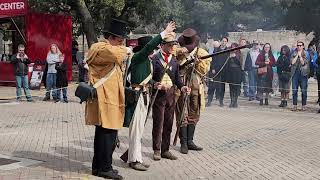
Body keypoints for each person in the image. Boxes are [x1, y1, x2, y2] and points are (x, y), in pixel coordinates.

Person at [123, 21, 176, 171]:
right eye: (152, 48)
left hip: (145, 94)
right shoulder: (138, 57)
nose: (154, 50)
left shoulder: (147, 61)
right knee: (135, 130)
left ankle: (136, 157)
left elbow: (146, 78)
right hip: (137, 95)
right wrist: (163, 33)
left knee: (139, 130)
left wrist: (154, 84)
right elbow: (149, 47)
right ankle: (133, 160)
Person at [85, 19, 130, 180]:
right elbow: (116, 54)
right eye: (119, 40)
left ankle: (98, 167)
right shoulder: (101, 48)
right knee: (107, 135)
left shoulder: (110, 49)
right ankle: (105, 168)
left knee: (105, 134)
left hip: (110, 98)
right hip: (105, 98)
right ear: (110, 37)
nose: (121, 44)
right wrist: (127, 49)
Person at [151, 32, 190, 161]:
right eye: (169, 45)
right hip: (158, 96)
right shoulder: (154, 59)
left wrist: (182, 87)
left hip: (171, 96)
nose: (172, 47)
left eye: (173, 45)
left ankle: (165, 150)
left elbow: (177, 79)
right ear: (162, 45)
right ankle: (156, 150)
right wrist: (156, 84)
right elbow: (148, 78)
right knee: (158, 123)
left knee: (168, 123)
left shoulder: (173, 60)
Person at [176, 28, 211, 154]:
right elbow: (175, 68)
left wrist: (197, 63)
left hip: (196, 86)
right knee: (182, 114)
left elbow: (204, 71)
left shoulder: (202, 52)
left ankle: (190, 141)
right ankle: (183, 142)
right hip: (182, 87)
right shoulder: (178, 52)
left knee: (194, 112)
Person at [290, 41, 309, 111]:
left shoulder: (306, 53)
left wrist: (300, 55)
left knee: (304, 90)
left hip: (303, 74)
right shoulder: (293, 53)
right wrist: (297, 55)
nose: (299, 47)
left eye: (300, 45)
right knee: (294, 90)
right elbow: (292, 62)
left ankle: (304, 105)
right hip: (295, 74)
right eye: (298, 45)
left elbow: (303, 63)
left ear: (303, 46)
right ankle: (294, 105)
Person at [211, 37, 229, 107]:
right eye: (223, 41)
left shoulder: (228, 50)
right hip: (216, 70)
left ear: (226, 42)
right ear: (221, 41)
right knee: (213, 85)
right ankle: (210, 100)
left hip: (224, 71)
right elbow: (213, 59)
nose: (224, 42)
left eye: (225, 41)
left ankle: (221, 101)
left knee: (222, 86)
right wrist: (213, 68)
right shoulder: (216, 50)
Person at [226, 43, 242, 108]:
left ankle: (235, 101)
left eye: (234, 47)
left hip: (237, 73)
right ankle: (232, 101)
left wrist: (235, 57)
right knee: (231, 87)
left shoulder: (239, 54)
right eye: (232, 47)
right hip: (230, 72)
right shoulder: (229, 53)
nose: (233, 48)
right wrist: (229, 58)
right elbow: (226, 64)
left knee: (236, 88)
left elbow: (240, 63)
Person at [206, 40, 220, 107]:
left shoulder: (219, 52)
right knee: (211, 86)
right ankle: (209, 100)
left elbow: (219, 61)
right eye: (214, 46)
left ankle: (219, 99)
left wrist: (216, 69)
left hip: (219, 71)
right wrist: (212, 68)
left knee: (218, 86)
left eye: (216, 46)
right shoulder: (210, 51)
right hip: (212, 71)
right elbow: (210, 61)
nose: (215, 47)